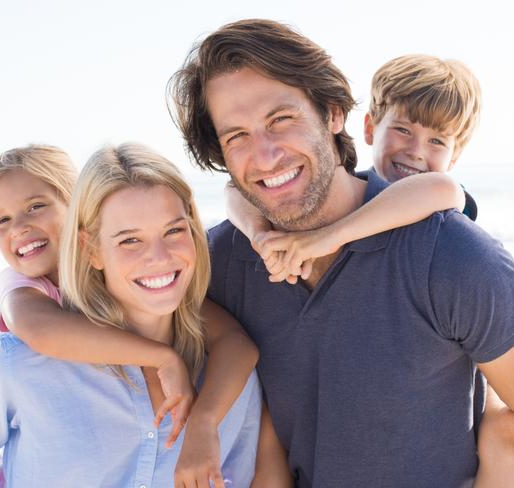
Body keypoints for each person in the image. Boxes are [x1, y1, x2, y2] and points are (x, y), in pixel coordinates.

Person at [169, 18, 514, 487]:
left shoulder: (450, 255)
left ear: (333, 115)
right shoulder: (223, 261)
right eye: (237, 137)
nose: (266, 155)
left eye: (280, 120)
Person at [0, 144, 261, 487]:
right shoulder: (21, 347)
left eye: (173, 230)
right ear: (89, 247)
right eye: (129, 240)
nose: (158, 257)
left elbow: (233, 340)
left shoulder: (226, 378)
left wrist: (203, 421)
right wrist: (164, 358)